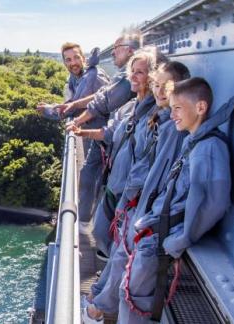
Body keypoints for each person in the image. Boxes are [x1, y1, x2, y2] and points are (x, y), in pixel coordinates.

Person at [117, 79, 234, 324]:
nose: (171, 115)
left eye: (177, 108)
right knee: (131, 292)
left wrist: (181, 239)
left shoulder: (207, 148)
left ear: (200, 107)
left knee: (134, 298)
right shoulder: (194, 141)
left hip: (163, 239)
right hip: (156, 233)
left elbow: (212, 203)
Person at [80, 61, 190, 323]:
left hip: (143, 208)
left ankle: (97, 310)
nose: (161, 90)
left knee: (125, 265)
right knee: (119, 255)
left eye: (168, 86)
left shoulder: (170, 127)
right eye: (157, 84)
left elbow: (158, 174)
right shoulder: (149, 114)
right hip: (133, 202)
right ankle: (97, 300)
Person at [69, 49, 161, 258]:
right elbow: (108, 133)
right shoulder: (129, 108)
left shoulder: (155, 117)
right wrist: (81, 131)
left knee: (117, 243)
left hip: (130, 193)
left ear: (152, 76)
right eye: (132, 71)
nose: (133, 77)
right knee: (102, 233)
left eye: (141, 72)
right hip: (114, 183)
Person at [62, 33, 140, 224]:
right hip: (110, 135)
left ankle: (87, 223)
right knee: (94, 175)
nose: (112, 53)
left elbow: (102, 101)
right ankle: (90, 221)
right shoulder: (118, 75)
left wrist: (77, 119)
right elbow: (102, 96)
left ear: (130, 50)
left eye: (117, 48)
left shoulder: (119, 77)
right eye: (68, 59)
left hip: (112, 139)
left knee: (95, 176)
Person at [37, 42, 109, 157]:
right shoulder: (76, 78)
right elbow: (74, 102)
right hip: (90, 135)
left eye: (76, 57)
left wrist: (49, 110)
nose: (73, 63)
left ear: (83, 59)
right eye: (68, 60)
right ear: (65, 63)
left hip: (101, 140)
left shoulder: (94, 77)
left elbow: (71, 109)